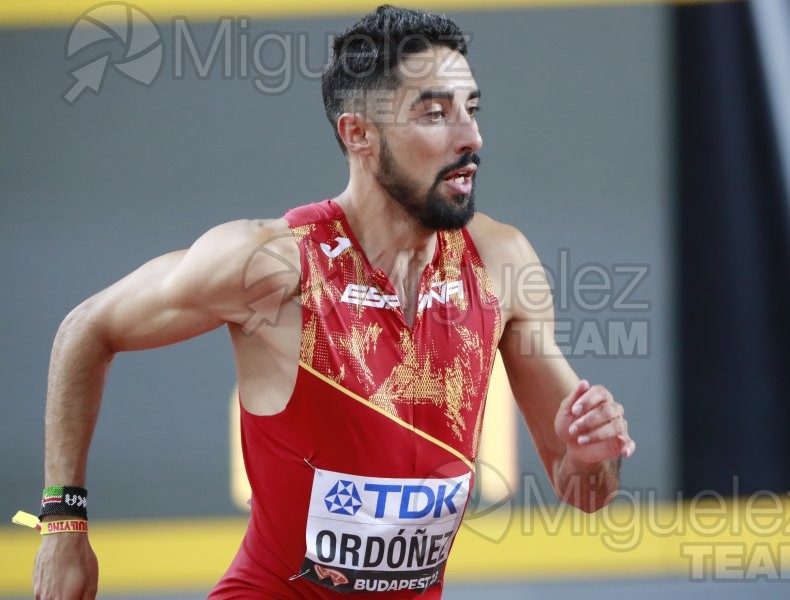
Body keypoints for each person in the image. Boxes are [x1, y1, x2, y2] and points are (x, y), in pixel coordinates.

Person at [32, 5, 635, 598]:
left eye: (471, 109)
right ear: (359, 134)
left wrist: (590, 456)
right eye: (435, 113)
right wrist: (63, 526)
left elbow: (585, 492)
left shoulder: (502, 264)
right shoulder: (270, 264)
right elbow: (86, 329)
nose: (470, 137)